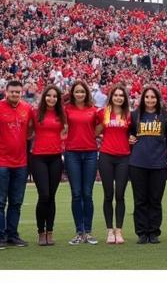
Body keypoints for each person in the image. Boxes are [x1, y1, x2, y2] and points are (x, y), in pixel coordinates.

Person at [0, 79, 33, 249]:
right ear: (6, 91)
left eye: (18, 92)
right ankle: (0, 236)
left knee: (16, 201)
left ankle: (12, 234)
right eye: (12, 91)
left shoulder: (27, 108)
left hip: (20, 162)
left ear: (21, 93)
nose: (15, 94)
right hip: (0, 161)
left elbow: (31, 129)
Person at [128, 84, 167, 245]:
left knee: (155, 199)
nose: (150, 100)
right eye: (147, 97)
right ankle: (141, 232)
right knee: (140, 200)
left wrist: (166, 157)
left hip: (158, 164)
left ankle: (153, 232)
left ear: (157, 99)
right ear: (143, 98)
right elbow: (128, 134)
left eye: (153, 97)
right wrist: (130, 138)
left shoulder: (164, 116)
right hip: (138, 163)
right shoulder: (134, 115)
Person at [63, 80, 100, 245]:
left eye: (82, 92)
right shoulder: (66, 109)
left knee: (88, 193)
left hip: (91, 153)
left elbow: (101, 126)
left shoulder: (94, 110)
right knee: (76, 194)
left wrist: (92, 135)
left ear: (87, 94)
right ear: (73, 93)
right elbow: (62, 127)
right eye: (77, 92)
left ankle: (89, 232)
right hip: (72, 154)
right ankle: (79, 231)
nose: (79, 94)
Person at [29, 85, 66, 246]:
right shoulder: (35, 112)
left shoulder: (62, 114)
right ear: (44, 97)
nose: (52, 98)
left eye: (55, 96)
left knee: (51, 196)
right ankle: (40, 232)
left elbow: (67, 131)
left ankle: (50, 232)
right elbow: (28, 132)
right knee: (43, 195)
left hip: (56, 158)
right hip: (38, 158)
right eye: (49, 95)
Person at [96, 83, 132, 244]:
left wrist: (132, 139)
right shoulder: (103, 113)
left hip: (124, 157)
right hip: (106, 156)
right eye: (115, 95)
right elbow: (94, 131)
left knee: (120, 195)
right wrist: (100, 135)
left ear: (124, 98)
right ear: (111, 97)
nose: (118, 98)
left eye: (121, 95)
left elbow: (133, 134)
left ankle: (119, 231)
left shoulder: (129, 115)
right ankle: (110, 231)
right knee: (108, 195)